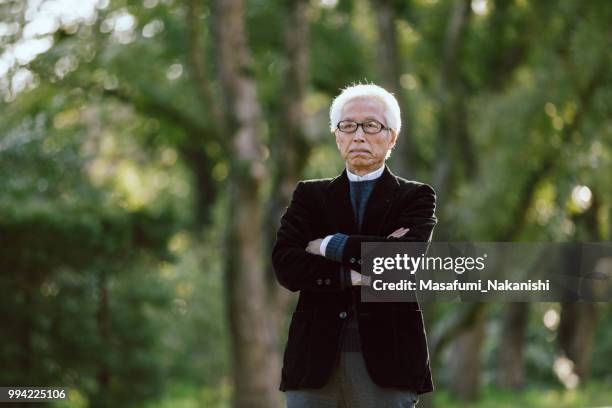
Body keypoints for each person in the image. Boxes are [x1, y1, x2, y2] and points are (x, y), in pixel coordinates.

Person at [272, 83, 437, 408]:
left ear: (392, 135)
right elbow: (286, 265)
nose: (358, 136)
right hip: (313, 363)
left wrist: (329, 245)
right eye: (347, 126)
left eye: (371, 125)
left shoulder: (416, 197)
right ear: (337, 135)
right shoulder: (309, 196)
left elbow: (403, 261)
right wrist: (356, 275)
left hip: (389, 362)